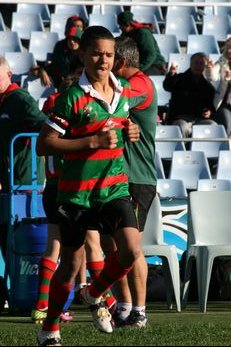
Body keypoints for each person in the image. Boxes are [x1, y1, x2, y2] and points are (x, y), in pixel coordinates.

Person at [36, 25, 141, 345]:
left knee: (131, 251)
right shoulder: (70, 99)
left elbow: (121, 123)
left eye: (109, 54)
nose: (103, 60)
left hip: (114, 187)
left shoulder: (123, 90)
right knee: (69, 265)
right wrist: (90, 141)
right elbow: (44, 145)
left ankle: (94, 293)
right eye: (96, 53)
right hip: (77, 194)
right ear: (82, 54)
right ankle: (50, 327)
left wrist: (130, 130)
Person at [86, 35, 157, 328]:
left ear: (122, 61)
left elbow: (122, 96)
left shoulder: (140, 83)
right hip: (113, 177)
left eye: (112, 59)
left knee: (132, 246)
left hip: (136, 177)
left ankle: (139, 310)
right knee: (111, 246)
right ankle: (125, 306)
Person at [31, 72, 87, 325]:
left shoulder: (51, 118)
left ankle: (41, 305)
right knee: (89, 243)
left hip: (50, 188)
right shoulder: (69, 121)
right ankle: (102, 301)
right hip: (68, 189)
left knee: (53, 248)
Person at [163, 52, 217, 138]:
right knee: (182, 127)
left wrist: (209, 112)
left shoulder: (208, 85)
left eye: (201, 63)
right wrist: (171, 74)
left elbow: (211, 105)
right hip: (180, 118)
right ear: (190, 64)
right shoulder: (179, 78)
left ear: (205, 66)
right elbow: (167, 86)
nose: (198, 66)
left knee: (212, 125)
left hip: (199, 119)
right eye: (196, 63)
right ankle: (183, 149)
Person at [33, 15, 85, 91]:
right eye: (74, 26)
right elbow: (55, 66)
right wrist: (42, 71)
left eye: (79, 26)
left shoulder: (86, 48)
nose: (77, 29)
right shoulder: (60, 46)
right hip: (63, 85)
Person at [117, 10, 167, 76]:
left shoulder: (143, 33)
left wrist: (138, 69)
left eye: (121, 26)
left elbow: (151, 55)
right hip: (140, 65)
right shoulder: (127, 34)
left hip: (154, 65)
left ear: (127, 24)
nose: (120, 28)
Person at [204, 37, 231, 136]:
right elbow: (212, 77)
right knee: (227, 125)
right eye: (228, 48)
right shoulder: (222, 61)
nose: (229, 51)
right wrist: (209, 69)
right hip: (225, 103)